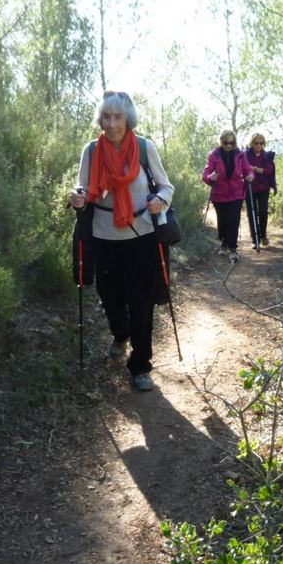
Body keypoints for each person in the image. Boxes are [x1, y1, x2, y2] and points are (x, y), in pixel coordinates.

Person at [68, 91, 174, 391]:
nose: (112, 123)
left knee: (140, 302)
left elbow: (166, 188)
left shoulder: (144, 147)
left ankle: (140, 367)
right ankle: (121, 334)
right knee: (110, 297)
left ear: (128, 119)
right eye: (106, 117)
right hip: (104, 236)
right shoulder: (91, 150)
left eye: (117, 117)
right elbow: (84, 188)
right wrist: (77, 198)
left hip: (142, 234)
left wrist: (160, 202)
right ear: (100, 119)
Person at [202, 129, 254, 262]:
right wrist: (211, 176)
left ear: (234, 142)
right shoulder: (214, 155)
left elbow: (247, 170)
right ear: (221, 142)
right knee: (223, 221)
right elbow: (206, 174)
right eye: (226, 143)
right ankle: (223, 242)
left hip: (236, 193)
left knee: (234, 220)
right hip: (219, 194)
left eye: (231, 143)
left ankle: (233, 248)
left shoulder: (240, 155)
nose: (229, 145)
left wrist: (250, 175)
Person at [243, 132, 276, 247]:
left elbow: (269, 170)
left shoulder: (267, 156)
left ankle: (263, 236)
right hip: (249, 188)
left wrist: (254, 169)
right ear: (252, 143)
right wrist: (255, 170)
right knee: (252, 213)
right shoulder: (245, 155)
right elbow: (243, 168)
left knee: (263, 212)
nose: (259, 145)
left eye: (261, 143)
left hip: (264, 188)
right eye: (257, 143)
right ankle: (255, 239)